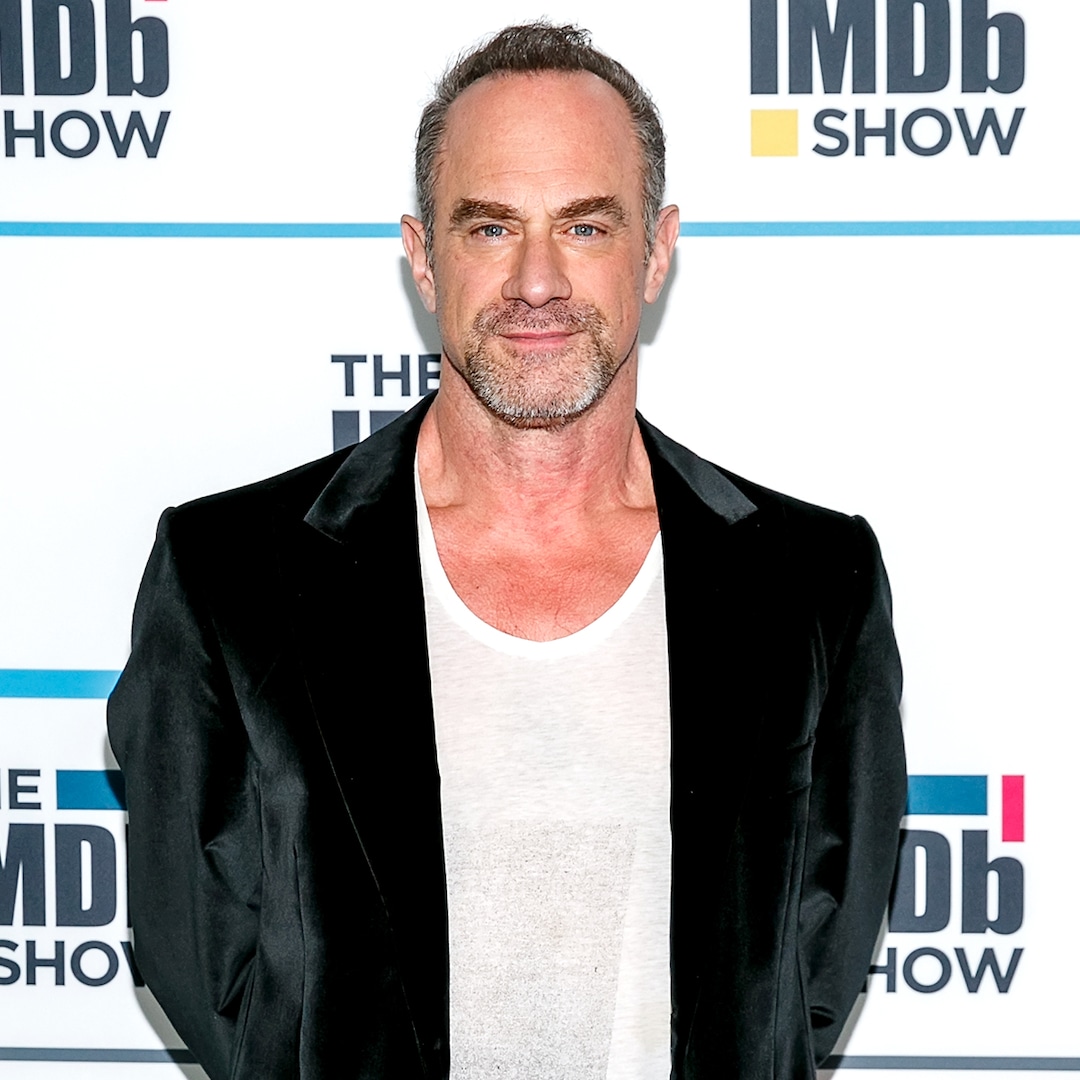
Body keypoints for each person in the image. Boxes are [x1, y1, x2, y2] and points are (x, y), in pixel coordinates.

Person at [108, 22, 906, 1080]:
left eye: (585, 226)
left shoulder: (812, 586)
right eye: (490, 228)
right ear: (422, 256)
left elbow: (802, 985)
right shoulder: (228, 577)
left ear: (657, 251)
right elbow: (205, 964)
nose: (537, 281)